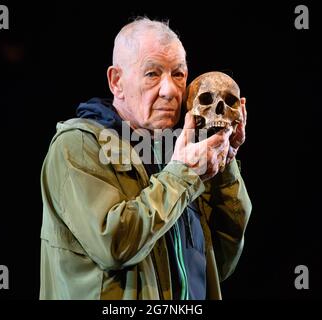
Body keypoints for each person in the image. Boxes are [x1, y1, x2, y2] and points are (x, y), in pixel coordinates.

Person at [39, 17, 252, 300]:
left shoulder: (177, 152)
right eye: (152, 74)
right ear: (117, 82)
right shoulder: (77, 145)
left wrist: (224, 163)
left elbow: (222, 262)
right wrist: (183, 174)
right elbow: (114, 244)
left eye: (178, 75)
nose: (170, 90)